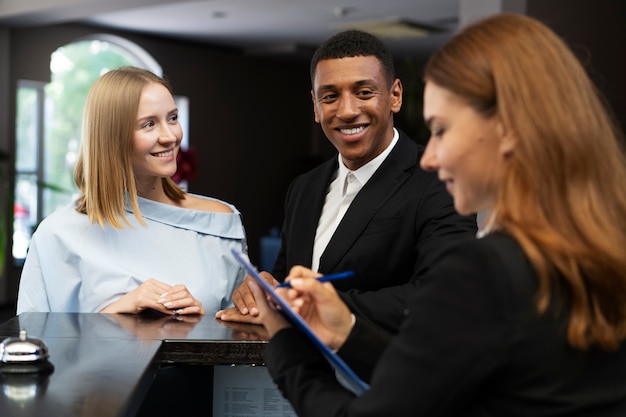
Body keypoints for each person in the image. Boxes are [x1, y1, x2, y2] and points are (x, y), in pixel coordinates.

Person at [249, 13, 626, 416]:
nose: (428, 156)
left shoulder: (487, 271)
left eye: (442, 130)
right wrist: (345, 332)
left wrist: (285, 345)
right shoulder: (597, 253)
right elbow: (452, 386)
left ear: (508, 129)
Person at [217, 30, 477, 332]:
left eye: (364, 93)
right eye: (330, 97)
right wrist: (266, 291)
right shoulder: (304, 188)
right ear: (315, 106)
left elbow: (443, 294)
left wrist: (312, 307)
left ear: (395, 96)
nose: (347, 111)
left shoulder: (439, 181)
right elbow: (287, 281)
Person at [17, 66, 247, 316]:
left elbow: (244, 340)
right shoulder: (57, 234)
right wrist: (116, 313)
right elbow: (33, 342)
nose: (170, 136)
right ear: (111, 137)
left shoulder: (220, 222)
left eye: (172, 118)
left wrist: (202, 326)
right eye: (149, 124)